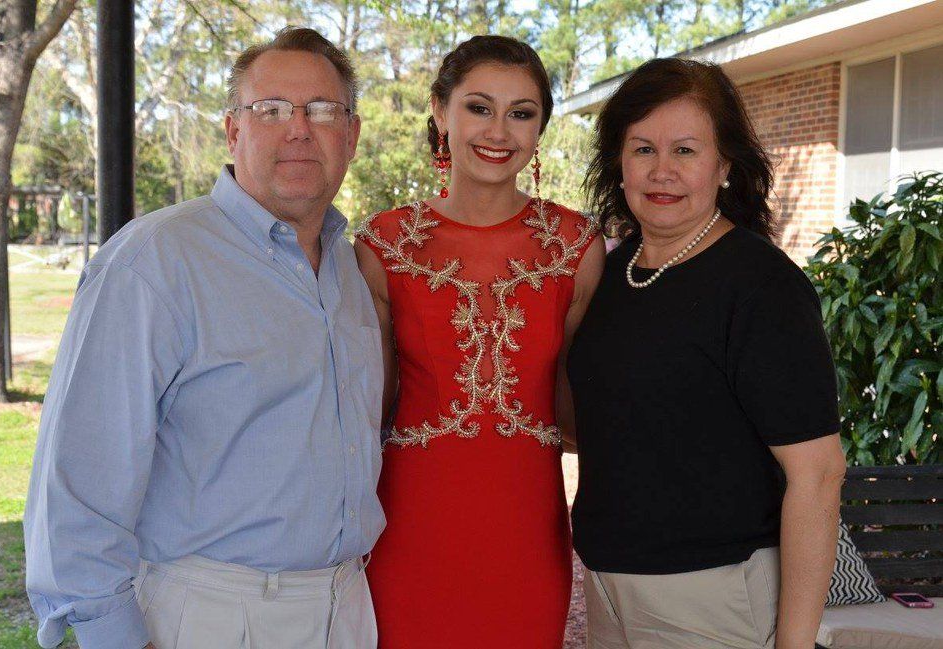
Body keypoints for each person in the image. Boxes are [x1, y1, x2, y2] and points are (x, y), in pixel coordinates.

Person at [24, 27, 384, 649]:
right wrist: (113, 636)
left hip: (345, 609)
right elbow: (77, 480)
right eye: (271, 109)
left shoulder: (349, 270)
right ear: (233, 130)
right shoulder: (154, 261)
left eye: (323, 110)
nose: (299, 129)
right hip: (209, 616)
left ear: (350, 136)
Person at [568, 58, 846, 649]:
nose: (661, 171)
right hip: (607, 589)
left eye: (686, 151)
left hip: (714, 599)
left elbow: (818, 474)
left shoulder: (761, 285)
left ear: (724, 166)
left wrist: (794, 643)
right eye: (643, 149)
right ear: (618, 161)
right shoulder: (610, 274)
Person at [354, 35, 605, 648]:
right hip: (411, 525)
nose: (499, 131)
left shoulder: (576, 246)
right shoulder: (385, 244)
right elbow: (366, 407)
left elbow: (583, 401)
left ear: (540, 128)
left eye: (521, 113)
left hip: (526, 527)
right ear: (440, 112)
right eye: (479, 107)